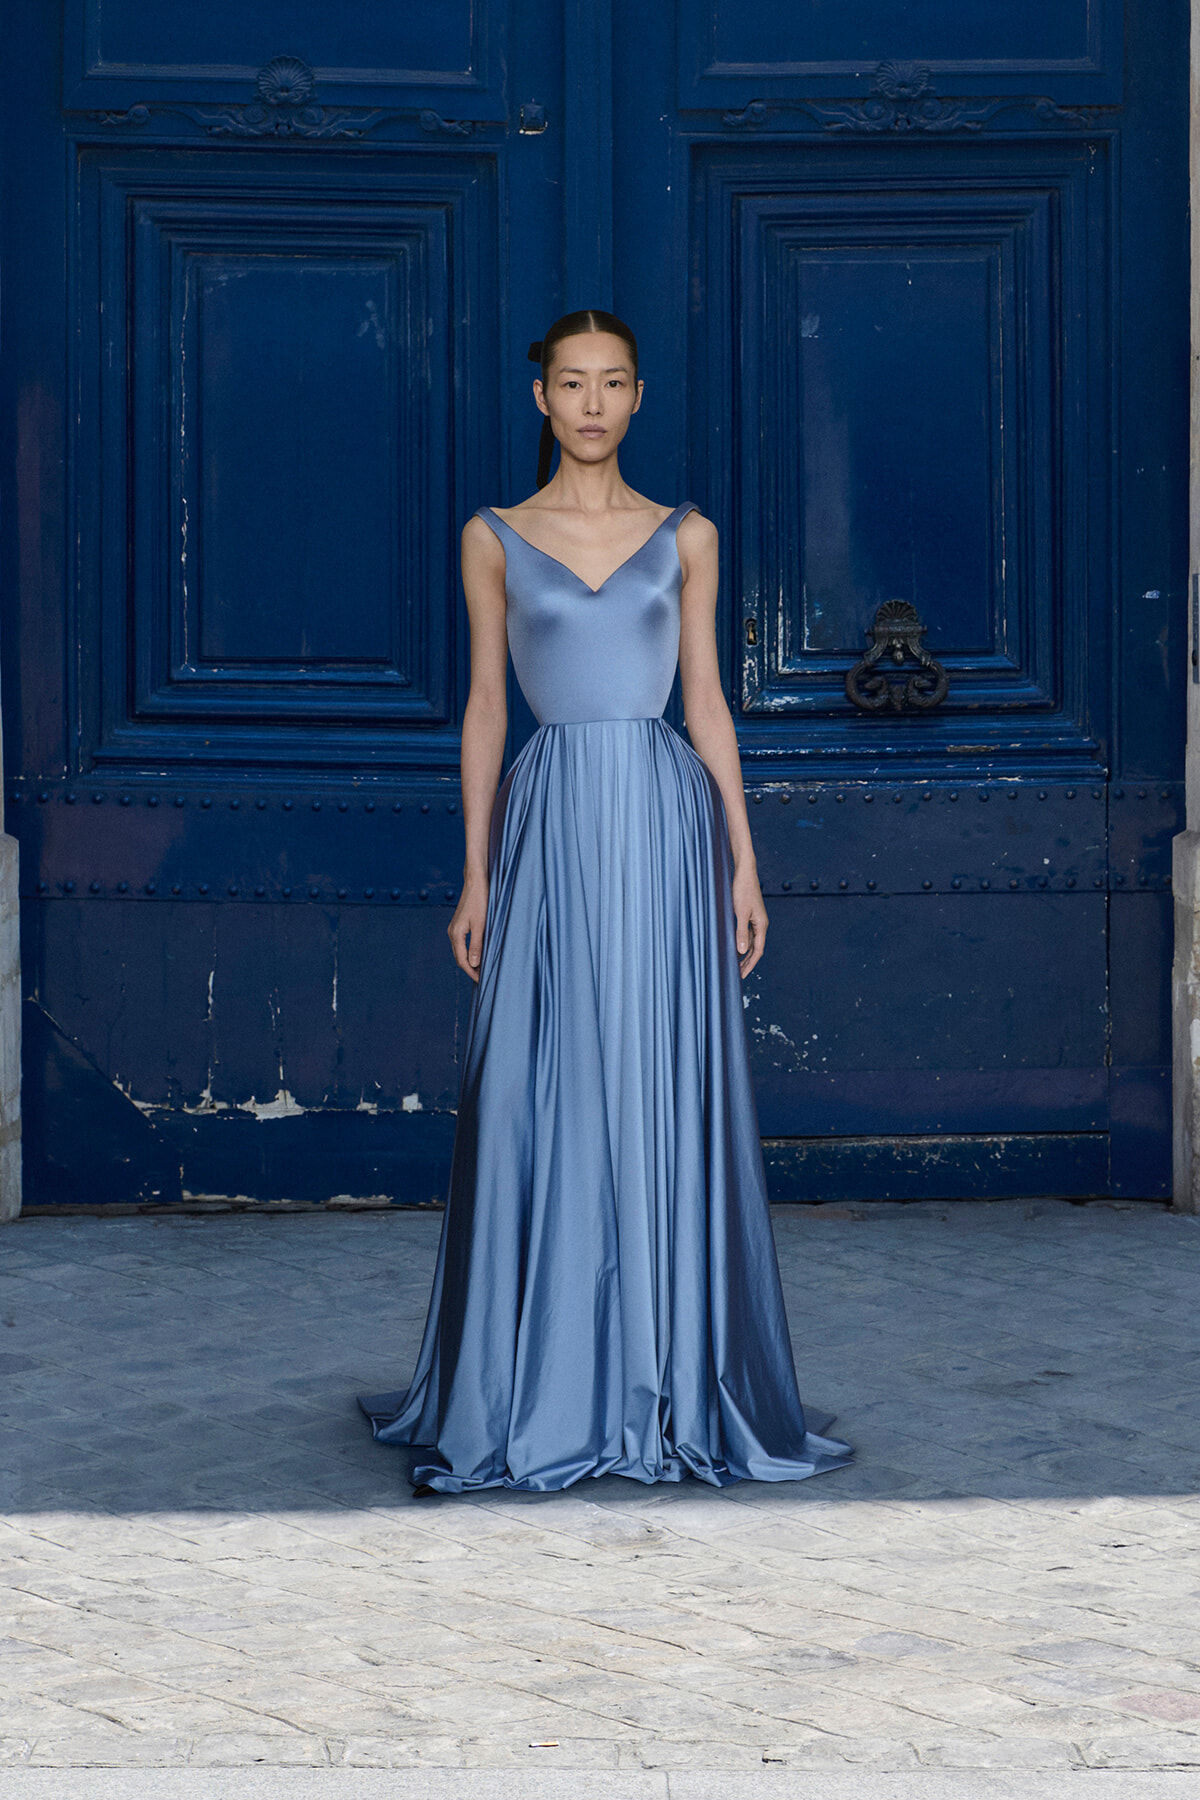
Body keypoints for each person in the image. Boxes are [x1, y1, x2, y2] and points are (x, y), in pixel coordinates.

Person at [359, 310, 853, 1495]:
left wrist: (743, 857)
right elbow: (486, 707)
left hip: (663, 824)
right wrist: (475, 871)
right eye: (571, 384)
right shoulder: (494, 536)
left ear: (639, 398)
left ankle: (672, 1378)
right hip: (548, 826)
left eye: (613, 383)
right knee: (541, 1086)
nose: (591, 403)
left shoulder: (687, 536)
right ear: (541, 398)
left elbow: (708, 704)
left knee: (656, 1087)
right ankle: (538, 1380)